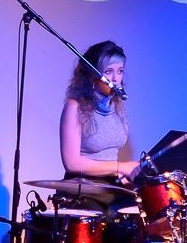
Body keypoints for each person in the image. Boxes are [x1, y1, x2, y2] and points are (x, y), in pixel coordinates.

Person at [59, 40, 141, 184]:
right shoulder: (74, 107)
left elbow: (109, 157)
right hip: (84, 187)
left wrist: (125, 174)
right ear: (93, 75)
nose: (115, 79)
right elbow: (71, 163)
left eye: (120, 71)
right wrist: (121, 167)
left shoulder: (116, 105)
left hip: (111, 183)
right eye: (108, 71)